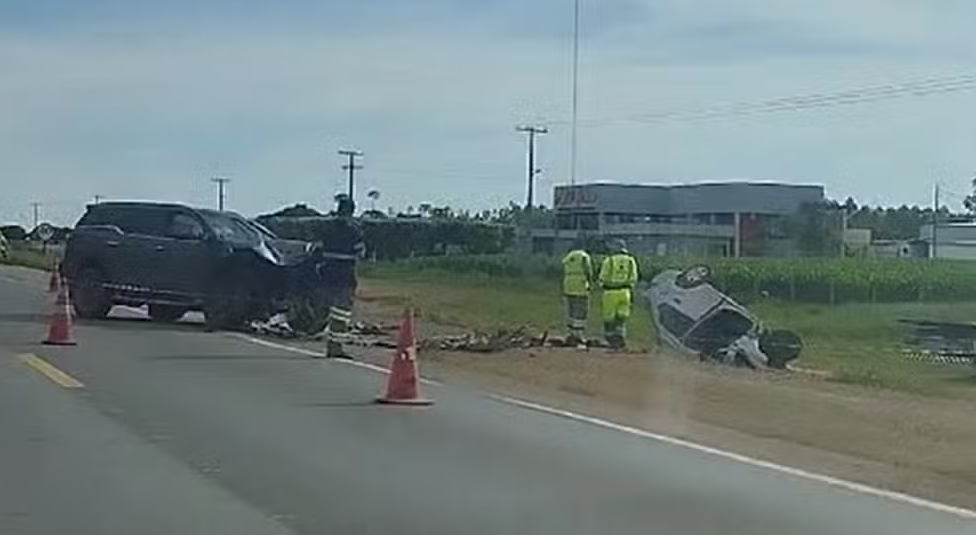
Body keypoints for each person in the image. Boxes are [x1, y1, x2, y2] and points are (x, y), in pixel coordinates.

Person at [317, 194, 366, 358]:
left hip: (327, 271)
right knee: (342, 310)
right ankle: (335, 346)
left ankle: (330, 342)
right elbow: (360, 250)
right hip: (345, 272)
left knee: (329, 307)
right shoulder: (353, 228)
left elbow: (321, 247)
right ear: (352, 211)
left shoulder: (328, 227)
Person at [598, 239, 639, 349]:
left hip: (610, 292)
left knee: (609, 318)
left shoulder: (609, 260)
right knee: (621, 317)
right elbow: (634, 277)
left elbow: (602, 277)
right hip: (625, 292)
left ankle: (611, 340)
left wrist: (603, 285)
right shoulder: (631, 260)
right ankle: (621, 337)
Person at [561, 240, 593, 345]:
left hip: (568, 283)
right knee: (581, 309)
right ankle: (579, 334)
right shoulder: (584, 256)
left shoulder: (568, 256)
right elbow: (588, 270)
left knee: (571, 308)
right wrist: (590, 282)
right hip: (580, 284)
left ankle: (570, 333)